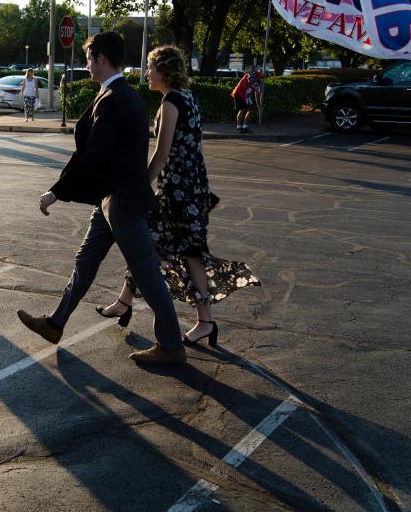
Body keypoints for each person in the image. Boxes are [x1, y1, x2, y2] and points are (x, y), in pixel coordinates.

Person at [16, 31, 187, 365]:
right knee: (85, 262)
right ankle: (55, 323)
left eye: (89, 59)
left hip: (122, 202)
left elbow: (92, 154)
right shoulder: (122, 94)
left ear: (102, 59)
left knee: (148, 275)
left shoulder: (115, 99)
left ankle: (171, 346)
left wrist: (56, 192)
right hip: (111, 200)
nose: (87, 65)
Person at [97, 46, 260, 344]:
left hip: (179, 191)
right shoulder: (190, 98)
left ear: (164, 71)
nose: (147, 73)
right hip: (192, 186)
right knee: (147, 243)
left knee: (190, 253)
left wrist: (141, 186)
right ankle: (125, 301)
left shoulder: (170, 103)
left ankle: (206, 320)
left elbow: (161, 153)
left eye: (150, 68)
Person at [230, 67, 263, 133]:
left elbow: (258, 93)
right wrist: (256, 80)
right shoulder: (253, 73)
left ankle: (245, 127)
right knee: (242, 109)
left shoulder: (258, 82)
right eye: (263, 74)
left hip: (247, 96)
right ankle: (239, 128)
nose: (264, 76)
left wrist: (258, 105)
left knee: (251, 110)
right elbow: (249, 80)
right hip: (239, 93)